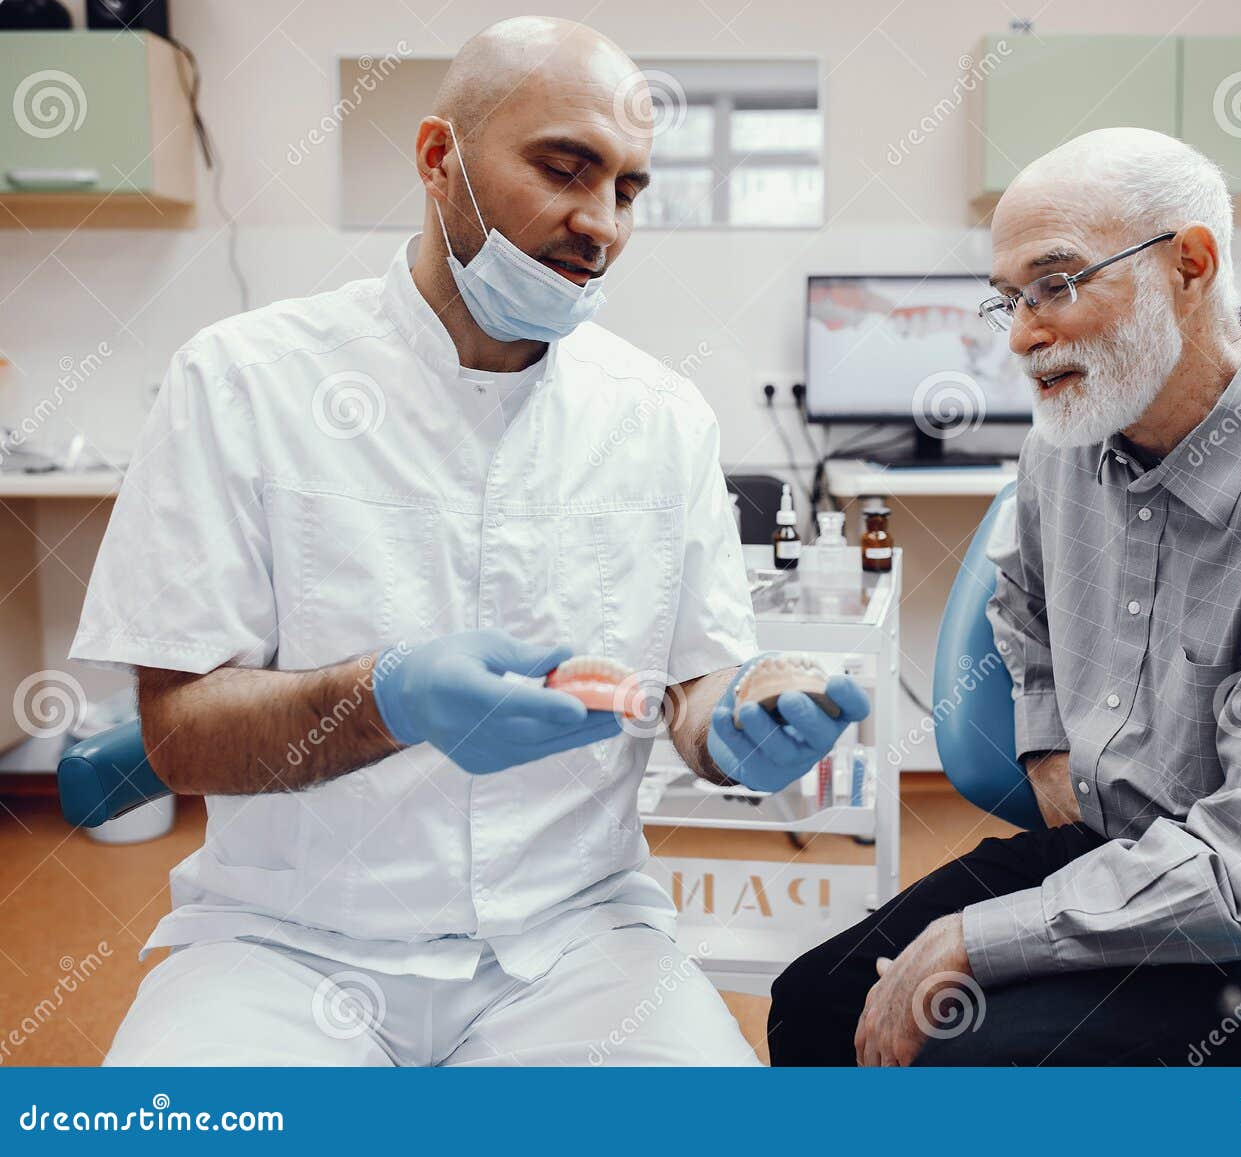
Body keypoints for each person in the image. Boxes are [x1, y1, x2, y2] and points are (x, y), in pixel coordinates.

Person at [72, 16, 866, 1067]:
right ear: (438, 157)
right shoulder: (242, 381)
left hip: (578, 943)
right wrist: (384, 696)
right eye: (564, 167)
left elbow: (694, 687)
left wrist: (744, 718)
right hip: (283, 945)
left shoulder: (660, 417)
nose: (601, 223)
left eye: (628, 188)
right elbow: (177, 734)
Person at [767, 127, 1241, 1067]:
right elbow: (1018, 594)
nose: (1022, 334)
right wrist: (1047, 737)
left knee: (958, 1055)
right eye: (1008, 301)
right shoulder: (1066, 438)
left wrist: (978, 939)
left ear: (1190, 262)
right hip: (1136, 854)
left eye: (1056, 284)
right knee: (815, 999)